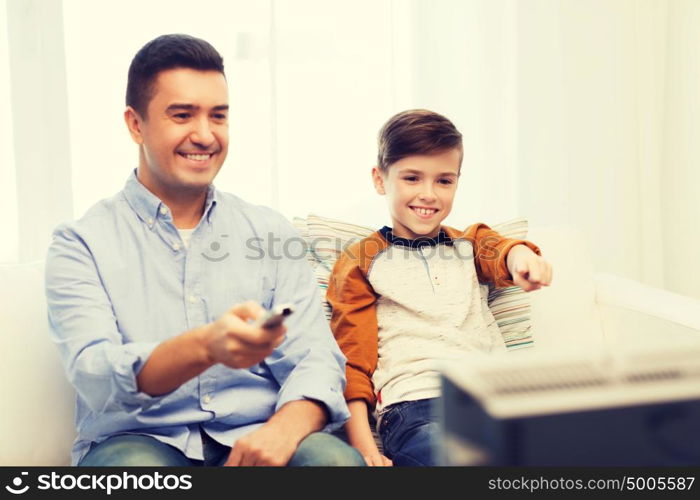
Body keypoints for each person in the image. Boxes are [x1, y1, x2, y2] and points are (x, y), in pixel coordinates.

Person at [45, 34, 363, 467]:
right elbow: (96, 374)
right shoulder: (80, 242)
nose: (205, 135)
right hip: (139, 441)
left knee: (334, 465)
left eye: (218, 116)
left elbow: (317, 359)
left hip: (258, 432)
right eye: (182, 115)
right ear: (135, 124)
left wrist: (282, 430)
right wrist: (206, 346)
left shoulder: (269, 230)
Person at [326, 109, 553, 466]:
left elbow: (502, 251)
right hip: (417, 406)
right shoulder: (360, 260)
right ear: (380, 179)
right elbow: (352, 364)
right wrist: (366, 450)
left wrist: (523, 257)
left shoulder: (471, 242)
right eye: (412, 178)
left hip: (496, 398)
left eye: (444, 181)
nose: (428, 194)